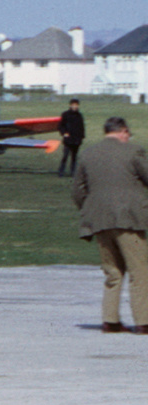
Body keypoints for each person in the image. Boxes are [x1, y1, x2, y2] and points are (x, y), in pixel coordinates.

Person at [71, 116, 148, 334]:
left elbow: (77, 191)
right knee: (140, 271)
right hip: (129, 219)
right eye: (128, 134)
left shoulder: (87, 154)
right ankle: (144, 321)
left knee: (113, 272)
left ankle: (110, 320)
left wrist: (90, 210)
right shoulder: (133, 151)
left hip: (99, 220)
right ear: (123, 131)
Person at [58, 98, 86, 178]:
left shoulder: (79, 115)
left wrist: (81, 137)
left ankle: (73, 172)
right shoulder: (65, 114)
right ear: (70, 105)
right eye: (73, 105)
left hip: (76, 140)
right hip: (68, 140)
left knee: (74, 157)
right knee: (65, 156)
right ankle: (61, 171)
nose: (75, 107)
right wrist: (64, 133)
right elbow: (60, 126)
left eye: (76, 105)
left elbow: (81, 127)